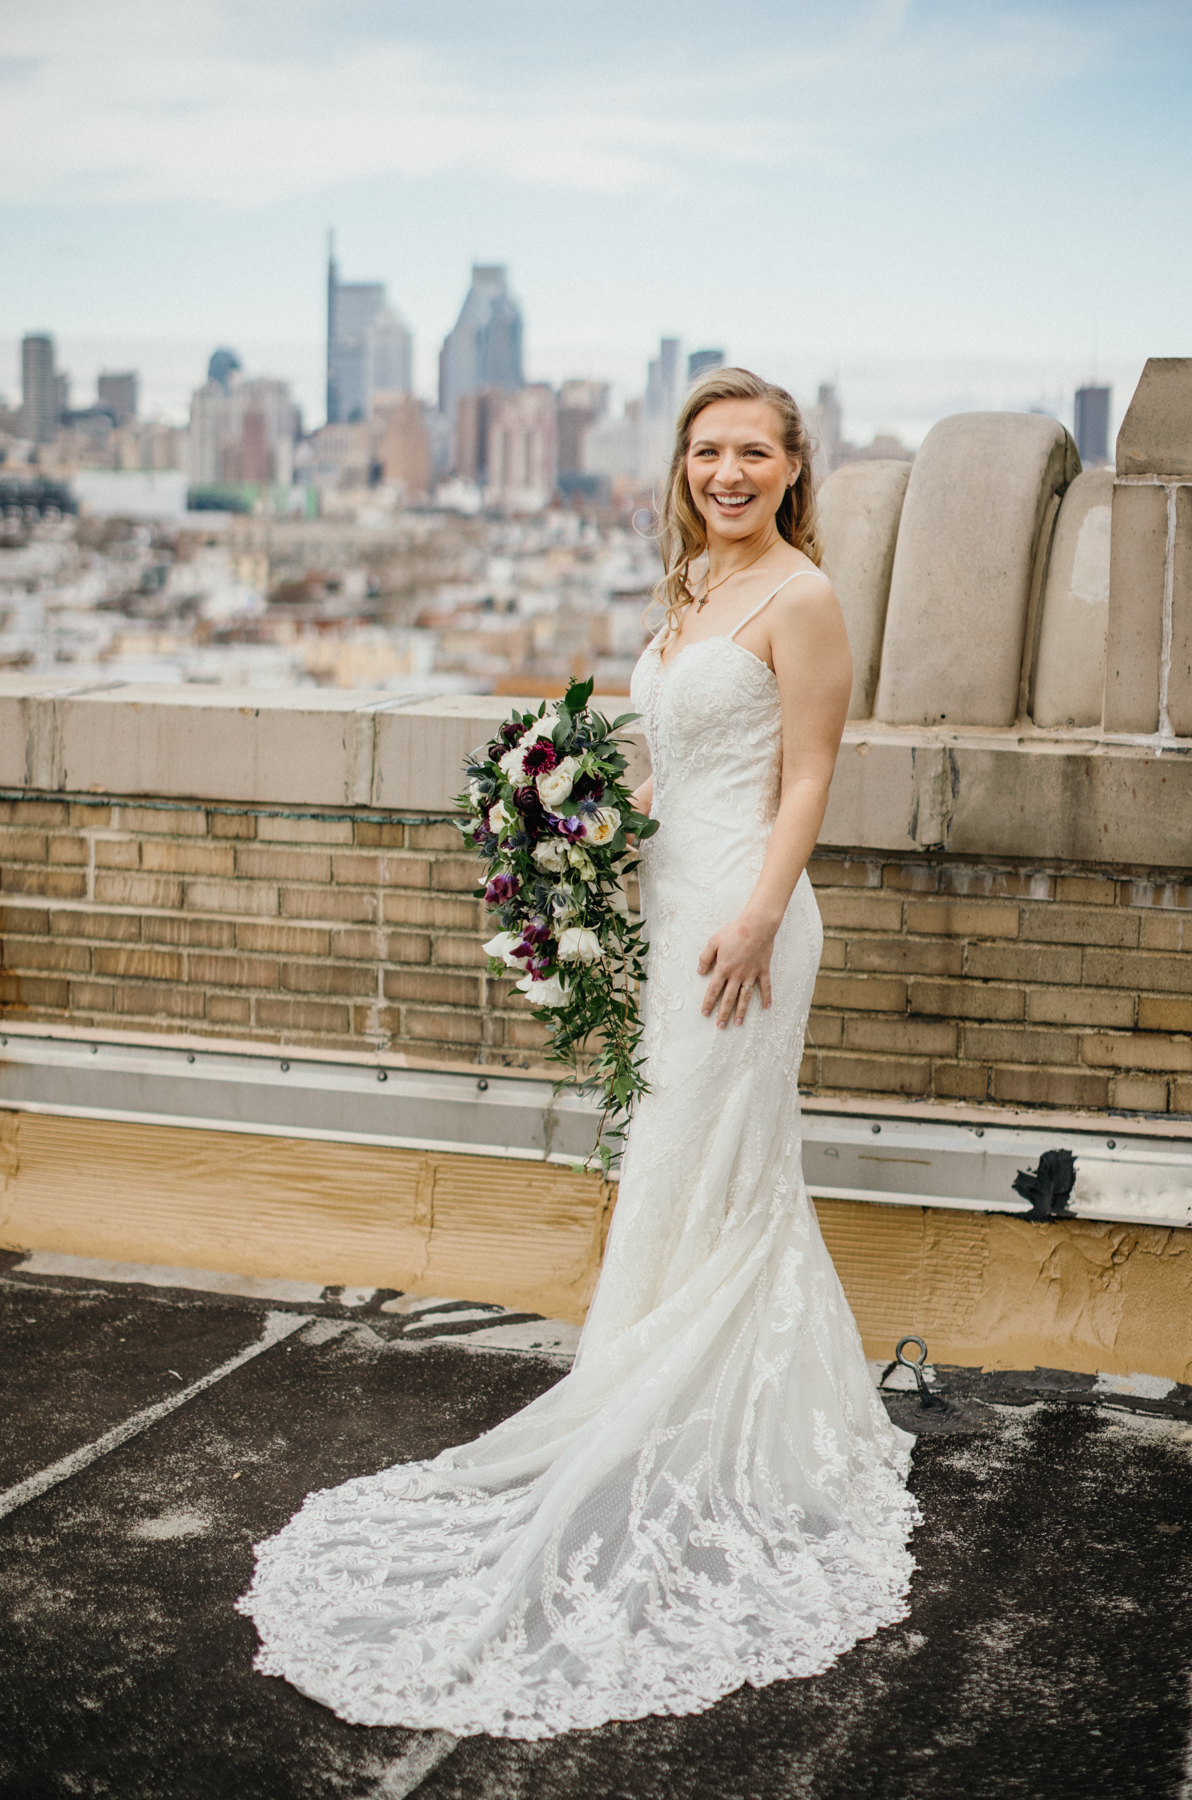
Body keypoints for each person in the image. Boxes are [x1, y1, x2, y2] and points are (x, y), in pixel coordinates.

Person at [238, 367, 919, 1739]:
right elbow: (674, 766)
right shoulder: (682, 598)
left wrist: (758, 915)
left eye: (751, 454)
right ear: (683, 467)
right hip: (674, 909)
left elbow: (804, 777)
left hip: (747, 923)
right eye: (705, 452)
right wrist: (579, 832)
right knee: (683, 1168)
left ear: (793, 469)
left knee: (710, 1162)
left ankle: (691, 1432)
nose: (725, 473)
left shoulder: (803, 598)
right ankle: (660, 1408)